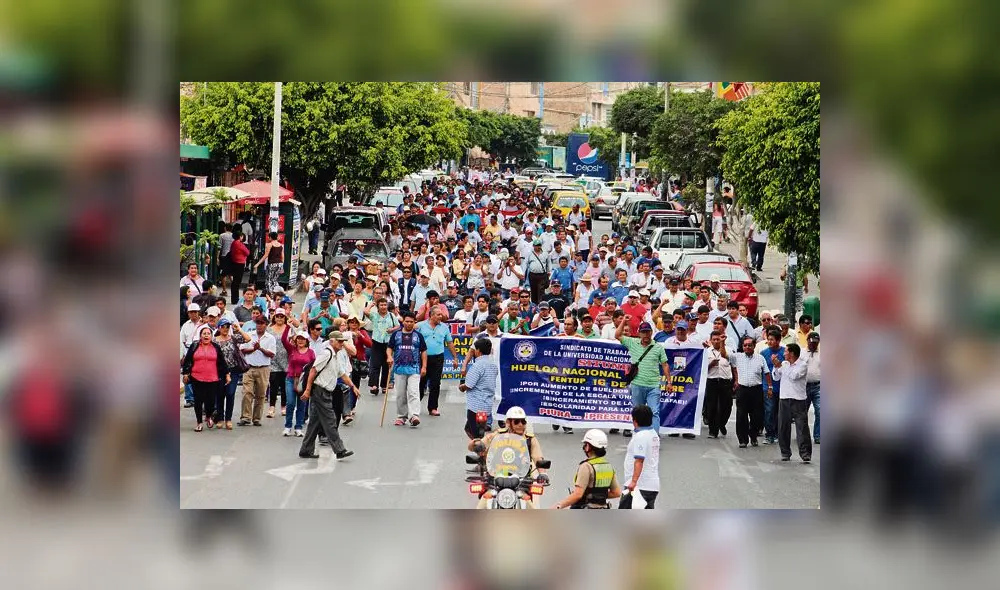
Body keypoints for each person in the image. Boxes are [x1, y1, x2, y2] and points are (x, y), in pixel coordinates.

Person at [468, 406, 547, 507]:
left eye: (523, 422)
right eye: (517, 422)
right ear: (508, 423)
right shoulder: (497, 435)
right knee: (482, 506)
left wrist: (543, 474)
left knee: (531, 509)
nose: (520, 425)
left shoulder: (530, 439)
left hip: (521, 482)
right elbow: (475, 445)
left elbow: (538, 458)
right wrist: (477, 444)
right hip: (495, 480)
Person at [298, 331, 355, 460]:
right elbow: (313, 370)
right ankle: (339, 450)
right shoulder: (326, 354)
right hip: (320, 391)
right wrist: (307, 390)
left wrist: (353, 387)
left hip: (326, 391)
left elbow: (342, 374)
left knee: (314, 422)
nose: (341, 344)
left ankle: (306, 450)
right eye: (339, 341)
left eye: (342, 341)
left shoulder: (335, 356)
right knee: (330, 420)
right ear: (332, 341)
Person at [615, 321, 669, 439]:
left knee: (654, 412)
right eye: (643, 332)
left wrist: (669, 382)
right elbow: (617, 335)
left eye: (648, 332)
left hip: (653, 385)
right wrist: (624, 320)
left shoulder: (658, 347)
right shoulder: (632, 342)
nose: (646, 335)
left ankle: (654, 437)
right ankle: (639, 435)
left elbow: (664, 365)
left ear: (651, 332)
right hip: (637, 384)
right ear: (639, 333)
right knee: (637, 412)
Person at [553, 430, 621, 509]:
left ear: (588, 446)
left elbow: (578, 495)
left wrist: (558, 506)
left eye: (585, 444)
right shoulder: (608, 466)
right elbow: (616, 493)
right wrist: (599, 496)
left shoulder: (586, 466)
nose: (584, 447)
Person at [181, 325, 230, 431]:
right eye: (204, 334)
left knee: (210, 402)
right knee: (198, 401)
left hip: (213, 378)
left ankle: (208, 416)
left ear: (211, 336)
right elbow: (187, 361)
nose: (206, 335)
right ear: (200, 336)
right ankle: (199, 422)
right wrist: (185, 373)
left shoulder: (216, 347)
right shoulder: (194, 346)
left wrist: (227, 374)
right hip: (196, 377)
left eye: (208, 334)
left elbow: (222, 362)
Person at [772, 343, 812, 462]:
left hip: (798, 399)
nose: (784, 354)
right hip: (784, 398)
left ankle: (805, 454)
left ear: (792, 353)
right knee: (783, 426)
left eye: (786, 352)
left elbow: (794, 376)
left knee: (802, 427)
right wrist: (776, 367)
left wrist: (783, 367)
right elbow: (776, 377)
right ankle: (785, 452)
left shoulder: (802, 365)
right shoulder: (784, 364)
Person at [388, 312, 428, 427]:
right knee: (400, 394)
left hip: (414, 369)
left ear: (414, 322)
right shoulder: (396, 335)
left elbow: (424, 351)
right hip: (399, 369)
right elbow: (389, 348)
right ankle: (401, 416)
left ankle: (414, 415)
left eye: (411, 322)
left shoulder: (418, 336)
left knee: (413, 392)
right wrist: (389, 357)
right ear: (403, 322)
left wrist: (424, 366)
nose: (409, 324)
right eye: (407, 321)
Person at [729, 336, 770, 448]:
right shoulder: (737, 357)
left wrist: (769, 387)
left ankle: (753, 436)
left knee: (757, 415)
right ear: (742, 347)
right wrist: (736, 379)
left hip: (756, 389)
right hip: (742, 389)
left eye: (749, 345)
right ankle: (742, 439)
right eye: (745, 345)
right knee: (741, 415)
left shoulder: (760, 358)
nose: (747, 347)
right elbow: (725, 356)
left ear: (754, 346)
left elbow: (766, 373)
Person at [417, 307, 458, 416]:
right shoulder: (420, 326)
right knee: (420, 383)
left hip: (438, 358)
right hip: (422, 358)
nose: (441, 317)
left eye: (441, 314)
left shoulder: (444, 327)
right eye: (439, 315)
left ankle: (433, 408)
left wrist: (455, 358)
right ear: (431, 315)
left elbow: (449, 343)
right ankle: (414, 406)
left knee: (435, 384)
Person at [237, 316, 276, 426]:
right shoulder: (249, 335)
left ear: (266, 324)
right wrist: (253, 349)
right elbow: (242, 350)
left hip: (263, 368)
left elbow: (272, 354)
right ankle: (245, 417)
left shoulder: (270, 338)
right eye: (257, 322)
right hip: (249, 367)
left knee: (261, 394)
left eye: (261, 323)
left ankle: (257, 418)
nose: (259, 325)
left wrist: (260, 349)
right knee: (247, 392)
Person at [212, 318, 248, 430]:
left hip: (233, 370)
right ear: (218, 328)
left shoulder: (233, 338)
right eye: (223, 326)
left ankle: (228, 419)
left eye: (227, 326)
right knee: (220, 394)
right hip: (219, 371)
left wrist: (239, 329)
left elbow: (247, 339)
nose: (225, 329)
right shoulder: (214, 340)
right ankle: (220, 418)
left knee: (230, 393)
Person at [459, 339, 500, 438]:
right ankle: (479, 444)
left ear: (477, 351)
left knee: (473, 431)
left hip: (475, 405)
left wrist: (462, 387)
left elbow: (469, 385)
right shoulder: (493, 365)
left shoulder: (477, 366)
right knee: (471, 428)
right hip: (487, 403)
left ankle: (480, 449)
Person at [622, 405, 660, 509]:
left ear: (634, 420)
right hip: (651, 485)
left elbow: (639, 460)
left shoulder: (641, 436)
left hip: (639, 486)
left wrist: (633, 481)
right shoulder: (653, 434)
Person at [280, 328, 316, 437]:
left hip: (303, 381)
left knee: (301, 404)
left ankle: (299, 427)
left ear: (307, 341)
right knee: (290, 403)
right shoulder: (292, 349)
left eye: (303, 339)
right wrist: (287, 327)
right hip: (291, 378)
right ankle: (288, 426)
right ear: (296, 340)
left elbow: (313, 367)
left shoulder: (311, 352)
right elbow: (283, 340)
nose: (300, 341)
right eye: (299, 339)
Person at [705, 330, 735, 439]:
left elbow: (734, 366)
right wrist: (711, 364)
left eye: (718, 339)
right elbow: (702, 369)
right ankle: (713, 431)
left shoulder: (729, 350)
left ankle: (722, 423)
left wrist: (736, 380)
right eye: (714, 339)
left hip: (725, 381)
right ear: (711, 340)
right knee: (711, 406)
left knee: (727, 406)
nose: (716, 341)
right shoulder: (706, 352)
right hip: (712, 380)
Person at [365, 297, 398, 397]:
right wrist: (371, 304)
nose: (383, 307)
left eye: (385, 305)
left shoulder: (391, 315)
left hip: (388, 343)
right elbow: (365, 312)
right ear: (378, 306)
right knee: (375, 364)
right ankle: (374, 385)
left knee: (386, 365)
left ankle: (384, 385)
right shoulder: (374, 316)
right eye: (381, 305)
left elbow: (398, 326)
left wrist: (392, 329)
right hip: (376, 342)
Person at [802, 331, 821, 445]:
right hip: (804, 386)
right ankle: (803, 435)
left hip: (819, 386)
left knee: (820, 411)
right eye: (811, 342)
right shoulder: (802, 353)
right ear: (807, 341)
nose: (813, 344)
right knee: (802, 413)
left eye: (815, 342)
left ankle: (818, 435)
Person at [523, 239, 551, 303]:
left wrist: (549, 271)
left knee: (541, 291)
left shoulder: (545, 253)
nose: (538, 247)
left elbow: (549, 263)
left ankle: (540, 304)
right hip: (533, 275)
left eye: (539, 245)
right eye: (536, 245)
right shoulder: (529, 253)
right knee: (533, 291)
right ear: (533, 246)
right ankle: (534, 305)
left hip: (542, 275)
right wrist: (523, 272)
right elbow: (525, 263)